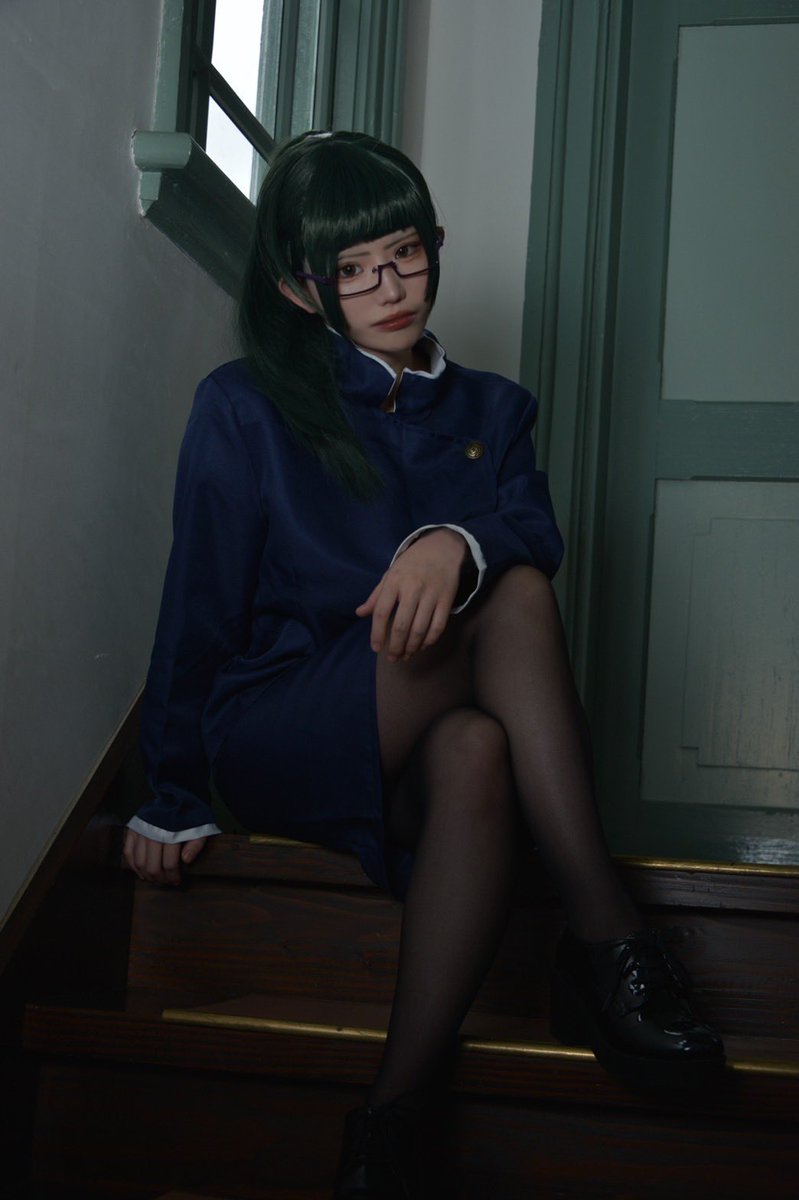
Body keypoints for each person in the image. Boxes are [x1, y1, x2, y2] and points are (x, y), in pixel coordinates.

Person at [123, 130, 724, 1198]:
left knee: (478, 745)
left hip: (422, 743)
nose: (389, 288)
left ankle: (389, 1122)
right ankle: (607, 935)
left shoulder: (494, 409)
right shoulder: (243, 404)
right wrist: (167, 793)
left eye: (404, 254)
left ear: (434, 247)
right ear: (300, 290)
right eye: (352, 270)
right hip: (281, 725)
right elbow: (198, 603)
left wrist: (455, 542)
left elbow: (531, 526)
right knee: (515, 596)